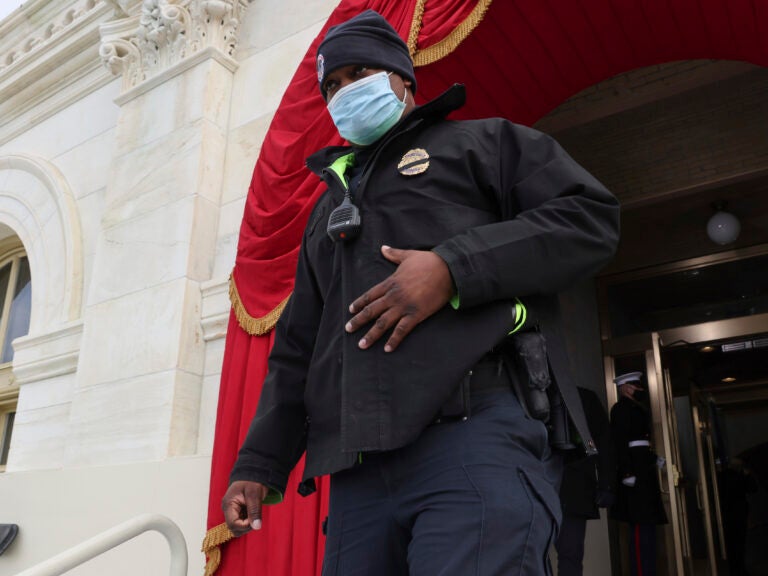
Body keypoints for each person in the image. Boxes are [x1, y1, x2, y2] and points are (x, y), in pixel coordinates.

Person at [222, 9, 620, 575]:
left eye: (357, 74)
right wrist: (259, 463)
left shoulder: (483, 144)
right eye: (331, 85)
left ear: (402, 80)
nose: (343, 93)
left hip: (475, 440)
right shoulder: (325, 211)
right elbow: (297, 350)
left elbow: (589, 218)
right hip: (359, 475)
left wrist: (452, 269)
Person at [609, 371, 667, 576]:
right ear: (624, 387)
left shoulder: (638, 408)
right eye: (635, 386)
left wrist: (653, 459)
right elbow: (620, 442)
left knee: (648, 526)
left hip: (643, 470)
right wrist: (626, 472)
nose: (638, 389)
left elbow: (641, 443)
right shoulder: (620, 409)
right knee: (639, 529)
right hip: (634, 472)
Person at [555, 386, 615, 576]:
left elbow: (605, 442)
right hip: (545, 484)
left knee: (569, 554)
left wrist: (606, 484)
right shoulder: (523, 390)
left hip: (571, 486)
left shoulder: (583, 397)